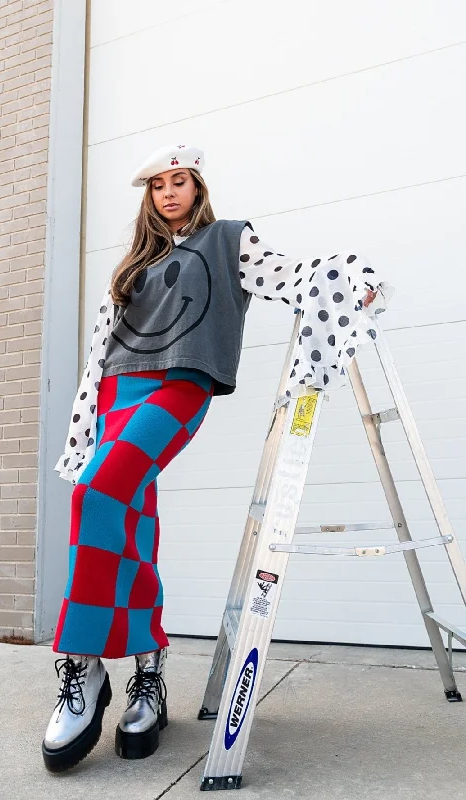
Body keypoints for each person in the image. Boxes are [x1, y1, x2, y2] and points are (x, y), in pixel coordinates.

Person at [41, 143, 392, 772]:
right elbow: (101, 350)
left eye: (181, 182)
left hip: (181, 382)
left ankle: (83, 665)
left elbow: (288, 274)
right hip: (119, 390)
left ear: (199, 189)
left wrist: (350, 278)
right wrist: (84, 422)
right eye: (158, 185)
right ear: (149, 197)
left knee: (95, 494)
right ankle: (149, 673)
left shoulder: (230, 240)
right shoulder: (131, 266)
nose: (169, 192)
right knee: (129, 520)